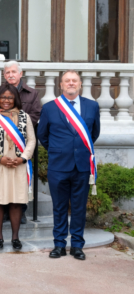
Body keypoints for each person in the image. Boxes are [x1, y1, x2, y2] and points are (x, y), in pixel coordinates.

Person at [38, 70, 100, 261]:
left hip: (82, 165)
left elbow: (94, 133)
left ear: (80, 84)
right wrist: (59, 150)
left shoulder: (92, 106)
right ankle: (59, 244)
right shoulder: (49, 107)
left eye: (74, 80)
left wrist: (79, 149)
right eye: (67, 81)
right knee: (59, 207)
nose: (71, 83)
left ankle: (77, 246)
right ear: (61, 85)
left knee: (79, 207)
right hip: (58, 166)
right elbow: (43, 135)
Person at [0, 84, 36, 251]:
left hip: (18, 165)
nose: (6, 100)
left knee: (16, 201)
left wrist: (23, 158)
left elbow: (32, 140)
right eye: (3, 97)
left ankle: (15, 237)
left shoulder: (24, 117)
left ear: (15, 99)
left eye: (10, 98)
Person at [0, 60, 42, 224]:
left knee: (20, 179)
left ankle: (20, 211)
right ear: (4, 75)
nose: (10, 75)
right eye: (7, 72)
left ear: (20, 74)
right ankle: (4, 211)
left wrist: (17, 128)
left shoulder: (32, 94)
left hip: (22, 142)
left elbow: (35, 115)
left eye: (13, 72)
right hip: (1, 143)